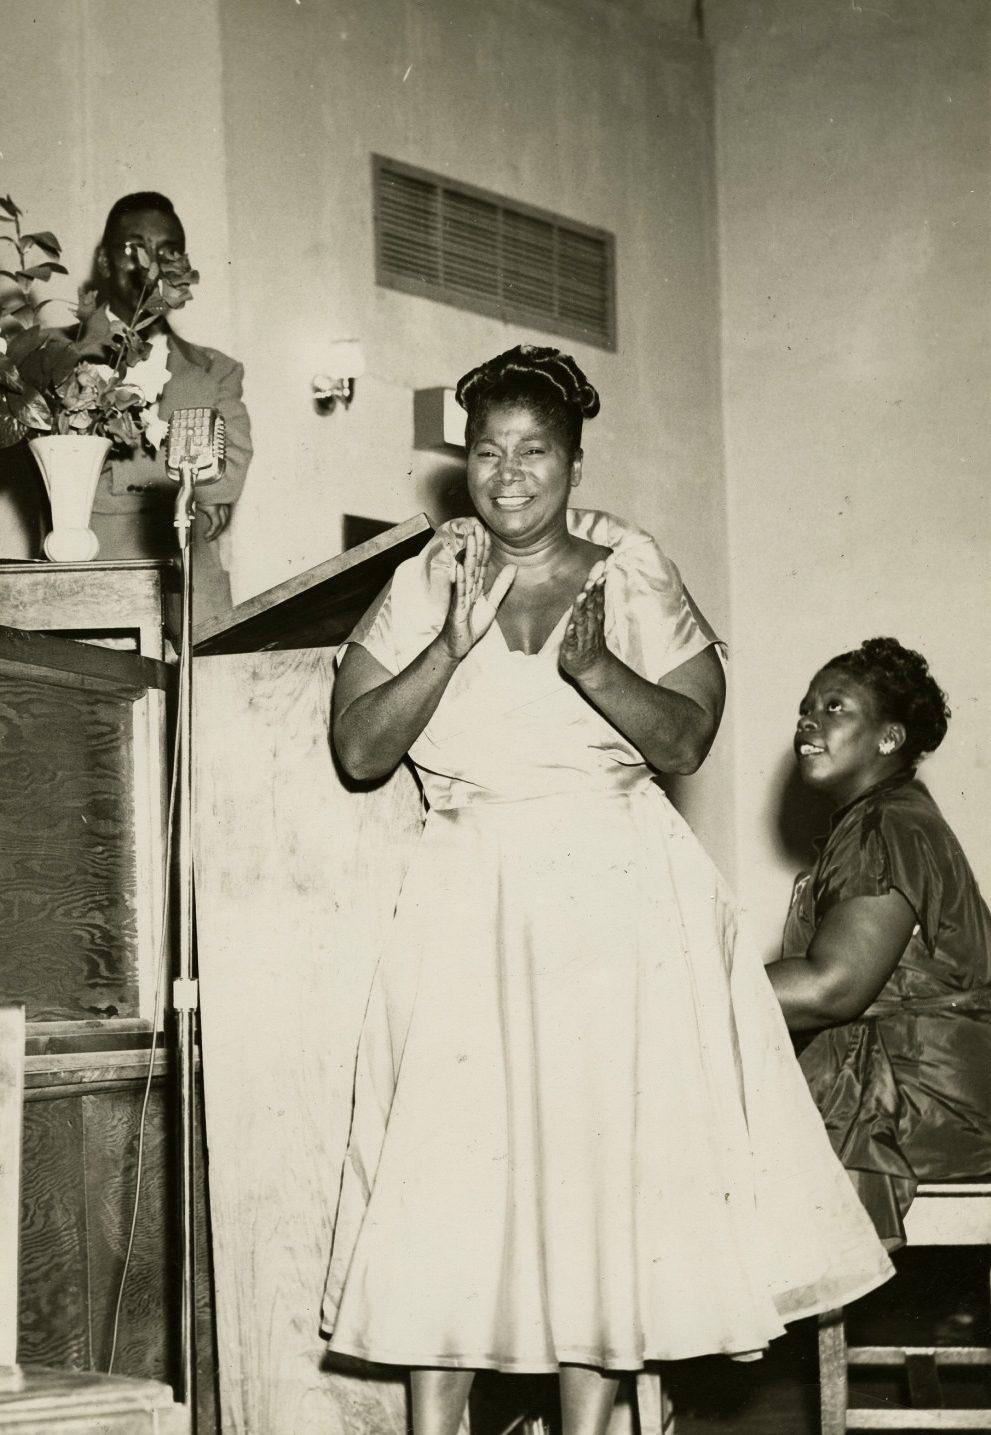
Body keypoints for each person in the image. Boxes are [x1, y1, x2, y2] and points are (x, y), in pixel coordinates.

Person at [321, 345, 892, 1435]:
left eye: (535, 450)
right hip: (466, 898)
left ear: (575, 462)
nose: (509, 473)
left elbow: (686, 738)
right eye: (487, 450)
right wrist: (447, 646)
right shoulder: (427, 577)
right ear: (464, 462)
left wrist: (595, 669)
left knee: (593, 1184)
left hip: (609, 905)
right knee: (447, 1180)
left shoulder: (627, 569)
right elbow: (356, 749)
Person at [768, 637, 991, 1248]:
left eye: (835, 707)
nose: (808, 720)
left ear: (888, 739)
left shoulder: (885, 824)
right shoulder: (887, 817)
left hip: (935, 1104)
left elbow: (832, 988)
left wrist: (687, 985)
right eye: (805, 708)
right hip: (942, 1094)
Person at [86, 192, 252, 626]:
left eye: (167, 251)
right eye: (132, 247)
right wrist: (187, 487)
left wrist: (119, 478)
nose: (150, 264)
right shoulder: (60, 356)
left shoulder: (216, 370)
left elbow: (230, 471)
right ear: (104, 262)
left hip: (193, 600)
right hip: (91, 586)